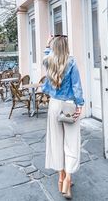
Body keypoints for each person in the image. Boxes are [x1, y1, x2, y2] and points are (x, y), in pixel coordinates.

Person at [42, 35, 84, 199]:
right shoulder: (71, 62)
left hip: (54, 105)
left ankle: (60, 177)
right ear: (66, 47)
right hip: (68, 105)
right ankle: (68, 179)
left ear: (54, 47)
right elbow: (77, 86)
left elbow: (46, 54)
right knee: (71, 142)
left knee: (56, 141)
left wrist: (48, 44)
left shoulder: (49, 61)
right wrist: (79, 105)